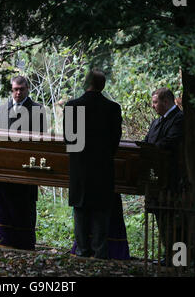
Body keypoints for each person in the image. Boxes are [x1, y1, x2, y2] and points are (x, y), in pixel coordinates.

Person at [0, 75, 47, 250]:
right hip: (4, 167)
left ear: (27, 89)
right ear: (11, 90)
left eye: (21, 89)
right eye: (15, 89)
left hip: (26, 168)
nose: (18, 93)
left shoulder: (38, 110)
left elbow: (41, 138)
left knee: (24, 205)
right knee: (2, 203)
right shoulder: (2, 109)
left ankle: (22, 242)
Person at [63, 69, 123, 259]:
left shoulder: (73, 106)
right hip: (104, 167)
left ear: (86, 83)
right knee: (101, 210)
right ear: (102, 86)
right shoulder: (112, 108)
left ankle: (82, 250)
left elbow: (70, 140)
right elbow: (115, 140)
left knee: (80, 210)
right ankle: (100, 251)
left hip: (80, 166)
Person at [143, 87, 184, 265]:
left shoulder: (179, 119)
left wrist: (151, 148)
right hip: (156, 179)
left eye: (155, 102)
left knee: (175, 221)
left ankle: (178, 259)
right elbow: (147, 142)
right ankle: (169, 256)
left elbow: (170, 143)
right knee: (162, 218)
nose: (153, 106)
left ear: (166, 102)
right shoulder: (156, 122)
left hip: (173, 179)